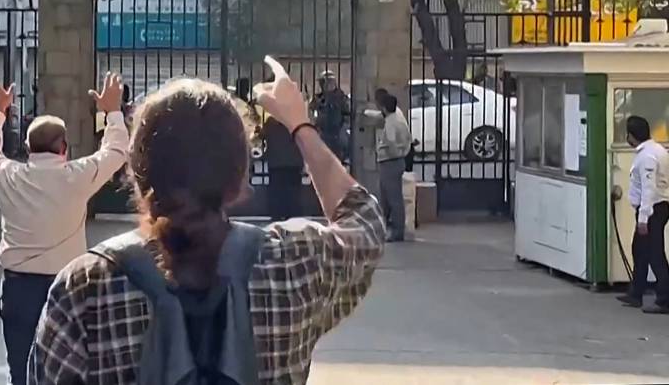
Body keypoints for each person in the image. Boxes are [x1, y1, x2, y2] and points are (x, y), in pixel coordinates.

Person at [29, 71, 386, 384]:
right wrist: (299, 124)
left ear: (138, 175)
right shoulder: (295, 263)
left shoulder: (85, 286)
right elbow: (364, 221)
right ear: (238, 178)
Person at [0, 71, 128, 385]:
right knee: (68, 370)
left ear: (28, 148)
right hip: (68, 286)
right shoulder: (77, 175)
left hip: (18, 288)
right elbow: (115, 151)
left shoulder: (9, 176)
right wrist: (112, 112)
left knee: (20, 369)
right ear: (64, 149)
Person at [617, 116, 669, 314]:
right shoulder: (654, 150)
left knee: (654, 254)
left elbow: (649, 189)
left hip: (653, 208)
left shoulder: (647, 156)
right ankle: (636, 292)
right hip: (656, 207)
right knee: (639, 249)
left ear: (632, 135)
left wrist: (643, 219)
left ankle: (665, 298)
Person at [374, 89, 412, 242]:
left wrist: (393, 152)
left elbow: (390, 142)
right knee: (388, 198)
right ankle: (385, 228)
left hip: (390, 162)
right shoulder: (398, 116)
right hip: (397, 161)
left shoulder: (390, 123)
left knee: (392, 198)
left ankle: (397, 231)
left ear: (383, 108)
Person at [262, 115, 304, 220]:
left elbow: (262, 136)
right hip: (293, 163)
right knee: (292, 196)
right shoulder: (295, 121)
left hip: (276, 163)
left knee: (277, 194)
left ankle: (276, 216)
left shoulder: (270, 122)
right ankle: (292, 217)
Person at [310, 70, 350, 160]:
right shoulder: (319, 97)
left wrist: (342, 128)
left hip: (337, 133)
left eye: (323, 82)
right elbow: (311, 110)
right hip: (322, 133)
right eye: (321, 82)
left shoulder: (340, 97)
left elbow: (347, 114)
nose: (322, 84)